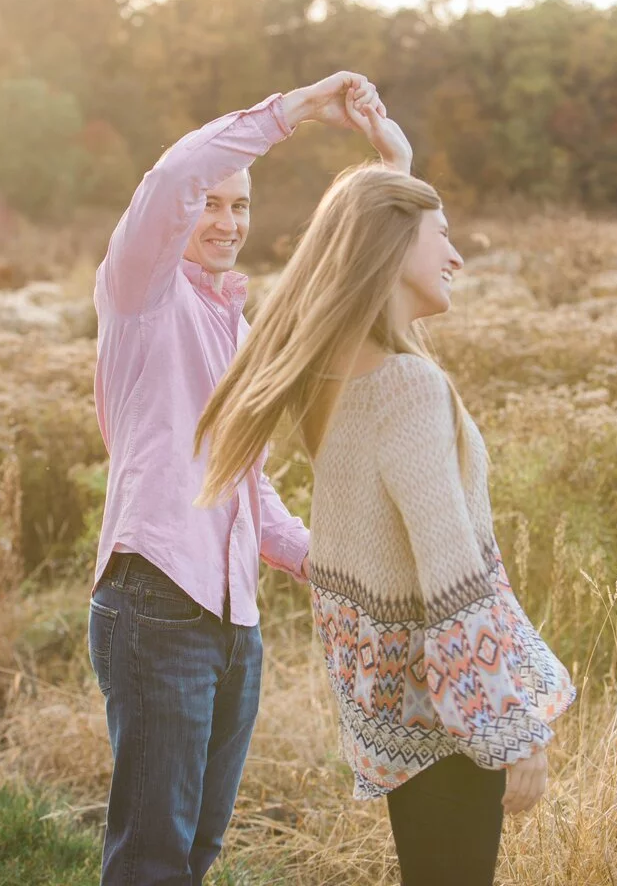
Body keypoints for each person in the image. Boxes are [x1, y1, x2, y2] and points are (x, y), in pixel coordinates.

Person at [195, 97, 576, 886]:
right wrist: (514, 733)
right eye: (444, 236)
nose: (458, 258)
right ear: (397, 240)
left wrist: (392, 170)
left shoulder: (335, 374)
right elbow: (454, 585)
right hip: (450, 723)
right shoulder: (404, 385)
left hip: (401, 711)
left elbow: (361, 239)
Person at [87, 71, 410, 885]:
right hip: (156, 602)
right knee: (154, 858)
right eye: (213, 204)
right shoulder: (141, 292)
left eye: (241, 208)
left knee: (196, 852)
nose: (225, 221)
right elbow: (174, 176)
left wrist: (324, 561)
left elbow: (248, 489)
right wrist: (297, 110)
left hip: (235, 621)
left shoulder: (240, 326)